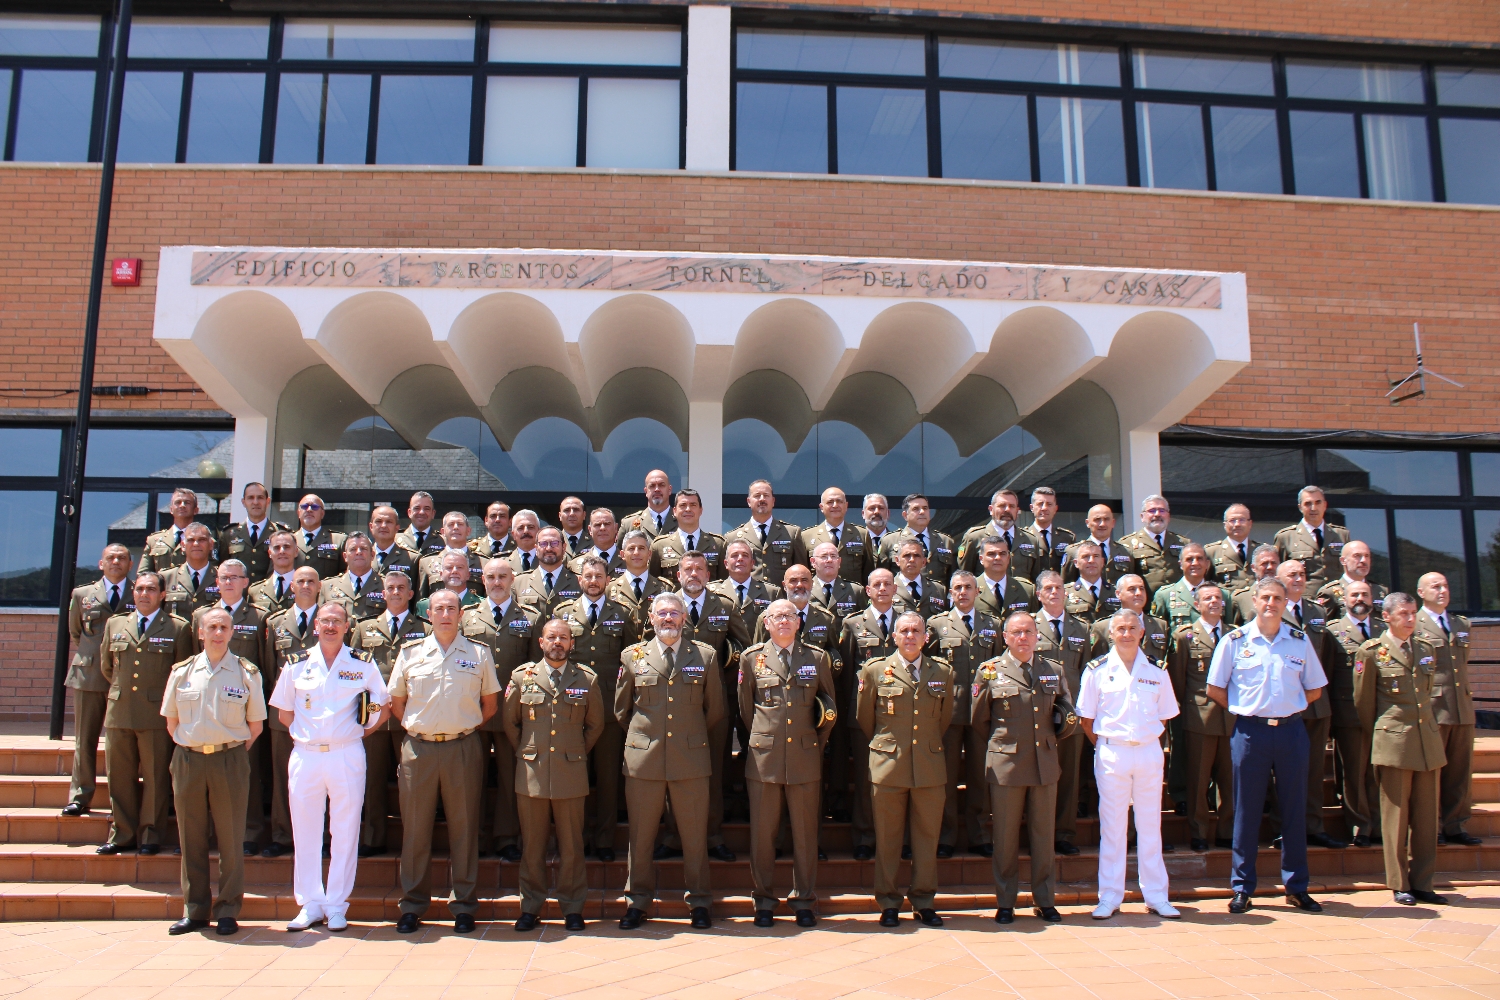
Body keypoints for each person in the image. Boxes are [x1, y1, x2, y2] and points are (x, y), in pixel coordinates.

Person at [1207, 577, 1328, 915]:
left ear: (1286, 603)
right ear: (1254, 602)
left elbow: (1315, 688)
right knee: (1245, 810)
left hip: (1291, 732)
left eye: (1278, 598)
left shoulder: (1299, 642)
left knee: (1293, 810)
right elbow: (1215, 688)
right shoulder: (1234, 641)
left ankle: (1296, 887)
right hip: (1250, 733)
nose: (1271, 603)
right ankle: (1242, 888)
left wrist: (1288, 706)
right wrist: (1244, 708)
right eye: (1265, 597)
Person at [269, 602, 389, 932]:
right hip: (306, 755)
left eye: (337, 620)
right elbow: (284, 712)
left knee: (345, 830)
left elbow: (380, 705)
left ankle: (337, 904)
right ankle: (309, 903)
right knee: (305, 831)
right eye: (325, 621)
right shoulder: (296, 664)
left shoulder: (362, 664)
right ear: (316, 626)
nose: (331, 626)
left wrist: (352, 734)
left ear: (348, 626)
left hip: (346, 754)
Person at [388, 589, 502, 934]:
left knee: (465, 829)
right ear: (429, 614)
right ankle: (412, 905)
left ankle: (464, 905)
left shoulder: (479, 654)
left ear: (461, 613)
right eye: (439, 609)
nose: (446, 614)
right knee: (416, 830)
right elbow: (397, 701)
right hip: (419, 750)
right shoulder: (410, 654)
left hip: (462, 749)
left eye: (452, 608)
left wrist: (460, 726)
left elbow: (490, 705)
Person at [615, 593, 725, 930]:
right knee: (642, 835)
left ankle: (700, 901)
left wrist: (685, 736)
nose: (668, 619)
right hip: (644, 759)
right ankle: (637, 902)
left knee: (694, 835)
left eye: (674, 613)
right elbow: (622, 710)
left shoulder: (704, 656)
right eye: (662, 613)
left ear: (684, 618)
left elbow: (715, 709)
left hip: (689, 759)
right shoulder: (631, 656)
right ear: (650, 617)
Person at [161, 607, 266, 936]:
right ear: (200, 633)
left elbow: (255, 725)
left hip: (230, 759)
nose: (218, 632)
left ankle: (228, 910)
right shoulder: (182, 672)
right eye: (212, 627)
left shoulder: (246, 672)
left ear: (232, 632)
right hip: (189, 759)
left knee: (232, 838)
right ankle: (195, 910)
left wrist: (227, 750)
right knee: (190, 837)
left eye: (224, 627)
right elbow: (171, 721)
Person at [972, 612, 1078, 924]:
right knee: (1004, 837)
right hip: (1007, 764)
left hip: (1044, 763)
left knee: (1043, 836)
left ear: (1037, 636)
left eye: (1029, 632)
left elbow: (1067, 713)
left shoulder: (1052, 669)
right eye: (1016, 632)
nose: (1023, 638)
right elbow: (979, 719)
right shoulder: (990, 671)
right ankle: (1006, 901)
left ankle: (1044, 900)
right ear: (1005, 637)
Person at [1076, 610, 1181, 919]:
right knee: (1113, 828)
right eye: (1120, 628)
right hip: (1112, 752)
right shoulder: (1096, 670)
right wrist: (1110, 746)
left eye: (1132, 628)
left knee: (1150, 826)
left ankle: (1157, 896)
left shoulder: (1157, 670)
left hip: (1148, 752)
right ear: (1111, 633)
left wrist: (1144, 741)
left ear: (1142, 632)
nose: (1126, 633)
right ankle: (1109, 896)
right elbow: (1087, 719)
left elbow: (1164, 715)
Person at [739, 599, 837, 927]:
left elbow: (828, 709)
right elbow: (746, 710)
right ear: (766, 623)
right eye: (777, 616)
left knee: (806, 834)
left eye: (790, 616)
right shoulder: (751, 659)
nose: (784, 621)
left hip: (805, 757)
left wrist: (814, 744)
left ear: (799, 623)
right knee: (763, 835)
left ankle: (804, 899)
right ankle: (763, 900)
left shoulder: (817, 657)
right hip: (764, 758)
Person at [504, 619, 604, 932]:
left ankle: (572, 907)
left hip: (571, 771)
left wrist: (573, 751)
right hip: (532, 772)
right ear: (541, 642)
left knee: (572, 846)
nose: (557, 642)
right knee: (532, 845)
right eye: (551, 637)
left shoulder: (586, 678)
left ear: (572, 643)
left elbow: (595, 725)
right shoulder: (522, 677)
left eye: (563, 638)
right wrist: (529, 752)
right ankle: (530, 907)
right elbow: (511, 724)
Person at [856, 611, 954, 928]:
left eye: (916, 630)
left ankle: (923, 901)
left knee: (927, 839)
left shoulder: (943, 672)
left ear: (926, 637)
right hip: (888, 766)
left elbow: (944, 720)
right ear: (893, 637)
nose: (910, 636)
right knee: (888, 839)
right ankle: (888, 902)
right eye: (904, 631)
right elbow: (865, 718)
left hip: (928, 766)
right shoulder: (874, 671)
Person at [1355, 591, 1447, 905]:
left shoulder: (1425, 648)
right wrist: (1383, 733)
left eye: (1413, 613)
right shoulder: (1372, 652)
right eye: (1404, 614)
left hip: (1427, 742)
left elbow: (1427, 692)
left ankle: (1423, 881)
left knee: (1426, 817)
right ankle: (1400, 883)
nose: (1410, 619)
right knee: (1395, 816)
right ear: (1388, 617)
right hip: (1394, 742)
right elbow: (1364, 704)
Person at [660, 551, 750, 861]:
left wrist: (728, 661)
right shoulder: (665, 606)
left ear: (709, 575)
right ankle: (673, 836)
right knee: (674, 769)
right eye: (688, 569)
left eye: (700, 569)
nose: (694, 574)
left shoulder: (725, 606)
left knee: (712, 769)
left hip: (715, 702)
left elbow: (744, 647)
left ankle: (712, 835)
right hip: (674, 703)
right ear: (678, 575)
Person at [550, 556, 639, 860]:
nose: (593, 580)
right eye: (588, 576)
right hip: (572, 708)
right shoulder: (563, 613)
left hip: (609, 708)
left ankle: (603, 841)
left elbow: (630, 661)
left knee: (608, 778)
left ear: (607, 579)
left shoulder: (623, 613)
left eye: (598, 575)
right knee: (576, 777)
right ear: (579, 580)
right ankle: (577, 839)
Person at [97, 572, 192, 855]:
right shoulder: (115, 624)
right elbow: (107, 667)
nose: (143, 594)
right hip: (120, 712)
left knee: (155, 777)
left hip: (155, 714)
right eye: (139, 589)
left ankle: (151, 834)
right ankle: (122, 833)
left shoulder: (177, 628)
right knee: (120, 776)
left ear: (162, 595)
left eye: (151, 589)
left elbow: (181, 673)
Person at [459, 557, 543, 861]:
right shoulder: (467, 617)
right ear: (483, 581)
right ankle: (476, 838)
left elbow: (535, 668)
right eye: (491, 577)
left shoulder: (531, 618)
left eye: (503, 577)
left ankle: (507, 837)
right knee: (472, 778)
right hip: (474, 711)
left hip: (512, 712)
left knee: (511, 779)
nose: (497, 582)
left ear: (513, 580)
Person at [351, 569, 430, 857]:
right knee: (371, 779)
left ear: (411, 594)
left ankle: (414, 838)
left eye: (401, 588)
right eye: (391, 588)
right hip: (372, 715)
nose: (395, 592)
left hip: (409, 715)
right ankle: (373, 837)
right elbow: (353, 672)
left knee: (411, 781)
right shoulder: (363, 628)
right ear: (383, 593)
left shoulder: (425, 629)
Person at [925, 571, 1000, 858]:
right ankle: (946, 836)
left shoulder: (992, 625)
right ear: (950, 593)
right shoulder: (938, 624)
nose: (963, 592)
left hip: (982, 712)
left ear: (978, 591)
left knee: (980, 776)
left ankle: (980, 834)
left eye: (969, 587)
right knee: (947, 776)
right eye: (958, 588)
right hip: (949, 713)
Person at [1271, 560, 1344, 850]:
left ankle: (1313, 826)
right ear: (1278, 579)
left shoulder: (1317, 611)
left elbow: (1324, 658)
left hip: (1315, 704)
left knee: (1313, 770)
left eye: (1301, 574)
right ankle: (1283, 829)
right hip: (1285, 703)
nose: (1299, 579)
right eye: (1292, 575)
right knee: (1283, 770)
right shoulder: (1270, 610)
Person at [64, 542, 135, 817]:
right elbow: (76, 633)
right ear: (101, 563)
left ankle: (123, 801)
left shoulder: (140, 590)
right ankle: (79, 796)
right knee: (85, 738)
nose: (116, 562)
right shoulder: (82, 594)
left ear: (131, 564)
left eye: (122, 558)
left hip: (127, 675)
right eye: (111, 558)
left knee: (122, 742)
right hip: (90, 674)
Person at [256, 565, 323, 858]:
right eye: (301, 581)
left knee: (322, 778)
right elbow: (268, 668)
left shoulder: (331, 619)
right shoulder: (275, 622)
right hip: (285, 713)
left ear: (319, 586)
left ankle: (321, 837)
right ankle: (283, 835)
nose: (306, 585)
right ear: (291, 587)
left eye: (311, 581)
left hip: (323, 713)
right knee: (285, 776)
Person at [1167, 584, 1234, 852]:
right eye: (1208, 598)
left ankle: (1227, 831)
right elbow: (1179, 681)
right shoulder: (1185, 637)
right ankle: (1199, 833)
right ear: (1197, 605)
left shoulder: (1235, 635)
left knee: (1230, 781)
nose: (1214, 602)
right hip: (1199, 718)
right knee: (1198, 779)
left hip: (1231, 718)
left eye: (1218, 598)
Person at [838, 568, 901, 854]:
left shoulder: (907, 622)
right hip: (864, 713)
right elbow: (849, 672)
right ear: (868, 590)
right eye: (877, 584)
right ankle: (865, 837)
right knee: (865, 779)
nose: (883, 589)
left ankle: (899, 839)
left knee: (899, 778)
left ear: (895, 589)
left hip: (900, 713)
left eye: (888, 584)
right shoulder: (853, 624)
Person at [1416, 572, 1480, 846]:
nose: (1442, 590)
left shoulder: (1460, 623)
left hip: (1461, 707)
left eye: (1445, 585)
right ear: (1421, 592)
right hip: (1434, 707)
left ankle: (1456, 824)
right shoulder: (1414, 624)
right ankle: (1434, 826)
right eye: (1435, 586)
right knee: (1433, 772)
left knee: (1460, 771)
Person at [1033, 569, 1092, 857]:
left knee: (1069, 777)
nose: (1054, 592)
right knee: (1038, 775)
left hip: (1072, 715)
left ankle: (1064, 834)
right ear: (1038, 594)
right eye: (1048, 588)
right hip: (1036, 715)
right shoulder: (1028, 626)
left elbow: (1088, 672)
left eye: (1058, 587)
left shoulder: (1082, 629)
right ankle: (1039, 834)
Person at [1322, 580, 1384, 847]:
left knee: (1380, 772)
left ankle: (1382, 825)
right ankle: (1361, 826)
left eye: (1365, 594)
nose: (1360, 598)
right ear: (1344, 599)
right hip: (1349, 713)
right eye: (1354, 594)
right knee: (1354, 773)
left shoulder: (1384, 628)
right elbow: (1326, 675)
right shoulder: (1332, 631)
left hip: (1385, 714)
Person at [724, 479, 809, 583]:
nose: (762, 499)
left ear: (773, 501)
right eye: (757, 495)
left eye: (766, 495)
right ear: (749, 501)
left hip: (782, 597)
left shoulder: (791, 533)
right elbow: (727, 577)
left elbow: (802, 571)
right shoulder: (733, 537)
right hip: (750, 598)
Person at [1274, 486, 1350, 592]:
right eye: (1308, 503)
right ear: (1300, 507)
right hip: (1306, 602)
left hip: (1337, 600)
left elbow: (1350, 570)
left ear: (1325, 505)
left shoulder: (1341, 535)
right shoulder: (1286, 537)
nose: (1313, 508)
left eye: (1318, 502)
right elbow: (1277, 575)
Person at [1119, 494, 1190, 598]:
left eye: (1162, 510)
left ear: (1168, 516)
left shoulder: (1183, 543)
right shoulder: (1127, 544)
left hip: (1176, 605)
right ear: (1142, 517)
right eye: (1152, 510)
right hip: (1145, 607)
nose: (1157, 514)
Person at [649, 488, 727, 581]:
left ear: (701, 510)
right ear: (674, 511)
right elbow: (653, 583)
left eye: (693, 505)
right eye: (683, 505)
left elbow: (724, 583)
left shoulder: (718, 544)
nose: (688, 509)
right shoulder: (660, 545)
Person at [801, 487, 874, 584]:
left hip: (852, 596)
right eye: (830, 502)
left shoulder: (861, 534)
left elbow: (868, 573)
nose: (835, 505)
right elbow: (802, 572)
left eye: (839, 501)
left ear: (846, 505)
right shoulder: (807, 536)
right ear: (822, 507)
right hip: (817, 596)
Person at [879, 494, 956, 585]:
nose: (922, 512)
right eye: (916, 509)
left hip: (937, 597)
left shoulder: (945, 541)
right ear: (905, 515)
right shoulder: (890, 541)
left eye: (925, 508)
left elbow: (953, 579)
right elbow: (881, 576)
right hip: (902, 596)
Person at [218, 482, 287, 582]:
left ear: (268, 501)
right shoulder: (229, 534)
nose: (255, 502)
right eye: (250, 498)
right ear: (243, 502)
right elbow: (222, 567)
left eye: (260, 498)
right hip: (239, 595)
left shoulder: (281, 533)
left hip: (268, 594)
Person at [711, 538, 781, 634]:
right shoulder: (712, 592)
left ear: (752, 563)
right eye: (734, 555)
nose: (740, 558)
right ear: (726, 563)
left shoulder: (772, 593)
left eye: (745, 555)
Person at [608, 528, 673, 632]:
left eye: (641, 548)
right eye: (631, 548)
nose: (636, 553)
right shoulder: (609, 588)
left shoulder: (665, 588)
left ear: (649, 554)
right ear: (622, 554)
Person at [1063, 505, 1139, 587]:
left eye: (1106, 519)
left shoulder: (1125, 552)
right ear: (1088, 523)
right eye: (1097, 520)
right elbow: (1066, 585)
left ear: (1113, 523)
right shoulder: (1073, 551)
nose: (1102, 524)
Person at [159, 522, 219, 622]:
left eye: (202, 540)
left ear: (211, 544)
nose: (196, 544)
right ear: (183, 545)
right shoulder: (166, 578)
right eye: (191, 540)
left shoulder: (222, 577)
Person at [512, 526, 581, 612]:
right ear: (536, 549)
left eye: (554, 543)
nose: (548, 548)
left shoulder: (578, 582)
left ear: (564, 547)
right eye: (543, 544)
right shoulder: (519, 583)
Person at [320, 532, 387, 620]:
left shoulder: (386, 585)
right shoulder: (327, 587)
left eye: (363, 548)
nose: (359, 552)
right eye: (353, 549)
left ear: (372, 555)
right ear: (345, 556)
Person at [1315, 540, 1388, 619]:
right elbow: (1323, 626)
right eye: (1357, 555)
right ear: (1343, 560)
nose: (1364, 560)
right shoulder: (1329, 592)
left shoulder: (1380, 591)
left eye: (1367, 556)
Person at [416, 512, 483, 598]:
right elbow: (421, 600)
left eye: (460, 524)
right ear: (443, 532)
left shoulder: (483, 562)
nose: (455, 527)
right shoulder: (426, 562)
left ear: (468, 531)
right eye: (451, 524)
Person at [958, 489, 1023, 575]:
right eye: (1002, 506)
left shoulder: (1030, 539)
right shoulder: (974, 537)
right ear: (991, 509)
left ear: (1017, 510)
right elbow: (965, 575)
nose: (1007, 510)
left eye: (1011, 506)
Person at [1149, 543, 1211, 634]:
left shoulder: (1222, 594)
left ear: (1207, 563)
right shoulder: (1164, 595)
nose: (1195, 563)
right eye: (1189, 559)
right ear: (1181, 564)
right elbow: (1158, 632)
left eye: (1200, 558)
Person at [1015, 487, 1074, 581]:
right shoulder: (1021, 537)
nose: (1044, 508)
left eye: (1049, 504)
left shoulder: (1067, 538)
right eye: (1040, 504)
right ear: (1032, 507)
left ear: (1056, 508)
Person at [974, 535, 1038, 620]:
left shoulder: (1027, 590)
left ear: (1008, 558)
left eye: (1002, 554)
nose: (997, 558)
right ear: (981, 559)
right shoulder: (970, 589)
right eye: (991, 554)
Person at [1204, 504, 1263, 593]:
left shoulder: (1262, 550)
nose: (1237, 524)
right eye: (1232, 520)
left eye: (1242, 520)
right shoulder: (1211, 552)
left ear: (1250, 524)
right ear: (1225, 525)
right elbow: (1205, 584)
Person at [138, 486, 199, 574]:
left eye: (187, 502)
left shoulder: (205, 541)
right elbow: (143, 574)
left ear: (196, 510)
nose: (182, 505)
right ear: (171, 509)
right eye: (178, 502)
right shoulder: (154, 541)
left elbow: (211, 573)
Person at [808, 540, 867, 624]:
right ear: (813, 562)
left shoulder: (855, 591)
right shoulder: (805, 589)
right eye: (824, 556)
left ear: (839, 562)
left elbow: (863, 623)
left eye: (833, 556)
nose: (829, 560)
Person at [890, 537, 948, 620]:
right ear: (897, 560)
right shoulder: (888, 588)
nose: (912, 560)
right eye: (907, 555)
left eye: (916, 556)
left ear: (924, 562)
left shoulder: (938, 589)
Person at [292, 494, 347, 580]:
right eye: (304, 506)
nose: (309, 510)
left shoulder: (339, 540)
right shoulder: (288, 541)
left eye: (315, 507)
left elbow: (346, 573)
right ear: (298, 512)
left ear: (322, 513)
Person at [1063, 541, 1119, 625]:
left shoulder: (1116, 592)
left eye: (1096, 556)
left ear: (1102, 562)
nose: (1091, 560)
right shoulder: (1064, 593)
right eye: (1085, 556)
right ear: (1076, 563)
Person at [415, 549, 485, 616]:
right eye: (449, 567)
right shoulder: (424, 606)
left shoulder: (482, 605)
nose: (454, 571)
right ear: (441, 575)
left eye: (460, 567)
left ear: (468, 575)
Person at [1228, 544, 1283, 626]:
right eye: (1264, 563)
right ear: (1253, 567)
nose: (1270, 567)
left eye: (1273, 563)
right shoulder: (1240, 598)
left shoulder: (1287, 595)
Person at [248, 529, 300, 614]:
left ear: (296, 552)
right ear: (269, 553)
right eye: (277, 548)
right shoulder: (255, 590)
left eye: (287, 547)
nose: (282, 551)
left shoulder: (306, 587)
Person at [568, 507, 624, 575]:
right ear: (590, 530)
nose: (602, 528)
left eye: (607, 524)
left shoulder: (628, 561)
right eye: (597, 525)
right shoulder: (574, 565)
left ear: (615, 528)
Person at [368, 505, 419, 579]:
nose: (383, 526)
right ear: (371, 526)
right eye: (379, 521)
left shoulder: (412, 559)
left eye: (389, 522)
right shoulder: (362, 556)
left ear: (397, 527)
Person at [624, 468, 678, 538]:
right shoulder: (629, 524)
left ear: (669, 490)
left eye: (661, 485)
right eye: (652, 486)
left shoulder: (682, 521)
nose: (657, 489)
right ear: (646, 491)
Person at [396, 491, 444, 561]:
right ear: (409, 512)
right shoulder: (395, 540)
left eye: (427, 509)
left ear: (433, 514)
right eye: (417, 508)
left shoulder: (444, 542)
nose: (421, 512)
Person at [505, 509, 543, 574]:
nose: (526, 531)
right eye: (520, 528)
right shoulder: (504, 562)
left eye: (531, 527)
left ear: (539, 532)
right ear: (513, 534)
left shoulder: (548, 559)